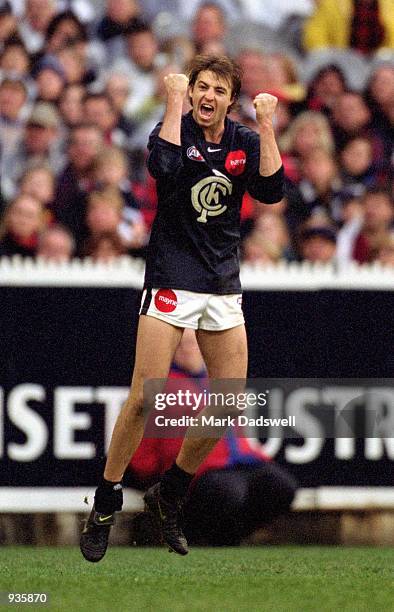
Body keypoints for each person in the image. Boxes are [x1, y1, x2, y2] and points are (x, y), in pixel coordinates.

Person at [80, 54, 284, 562]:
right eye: (200, 87)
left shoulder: (242, 139)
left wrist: (265, 123)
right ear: (190, 92)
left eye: (218, 89)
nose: (208, 96)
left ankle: (171, 491)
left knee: (229, 398)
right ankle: (106, 501)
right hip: (172, 278)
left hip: (221, 282)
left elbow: (273, 190)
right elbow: (164, 168)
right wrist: (172, 102)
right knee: (144, 398)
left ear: (229, 99)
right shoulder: (170, 128)